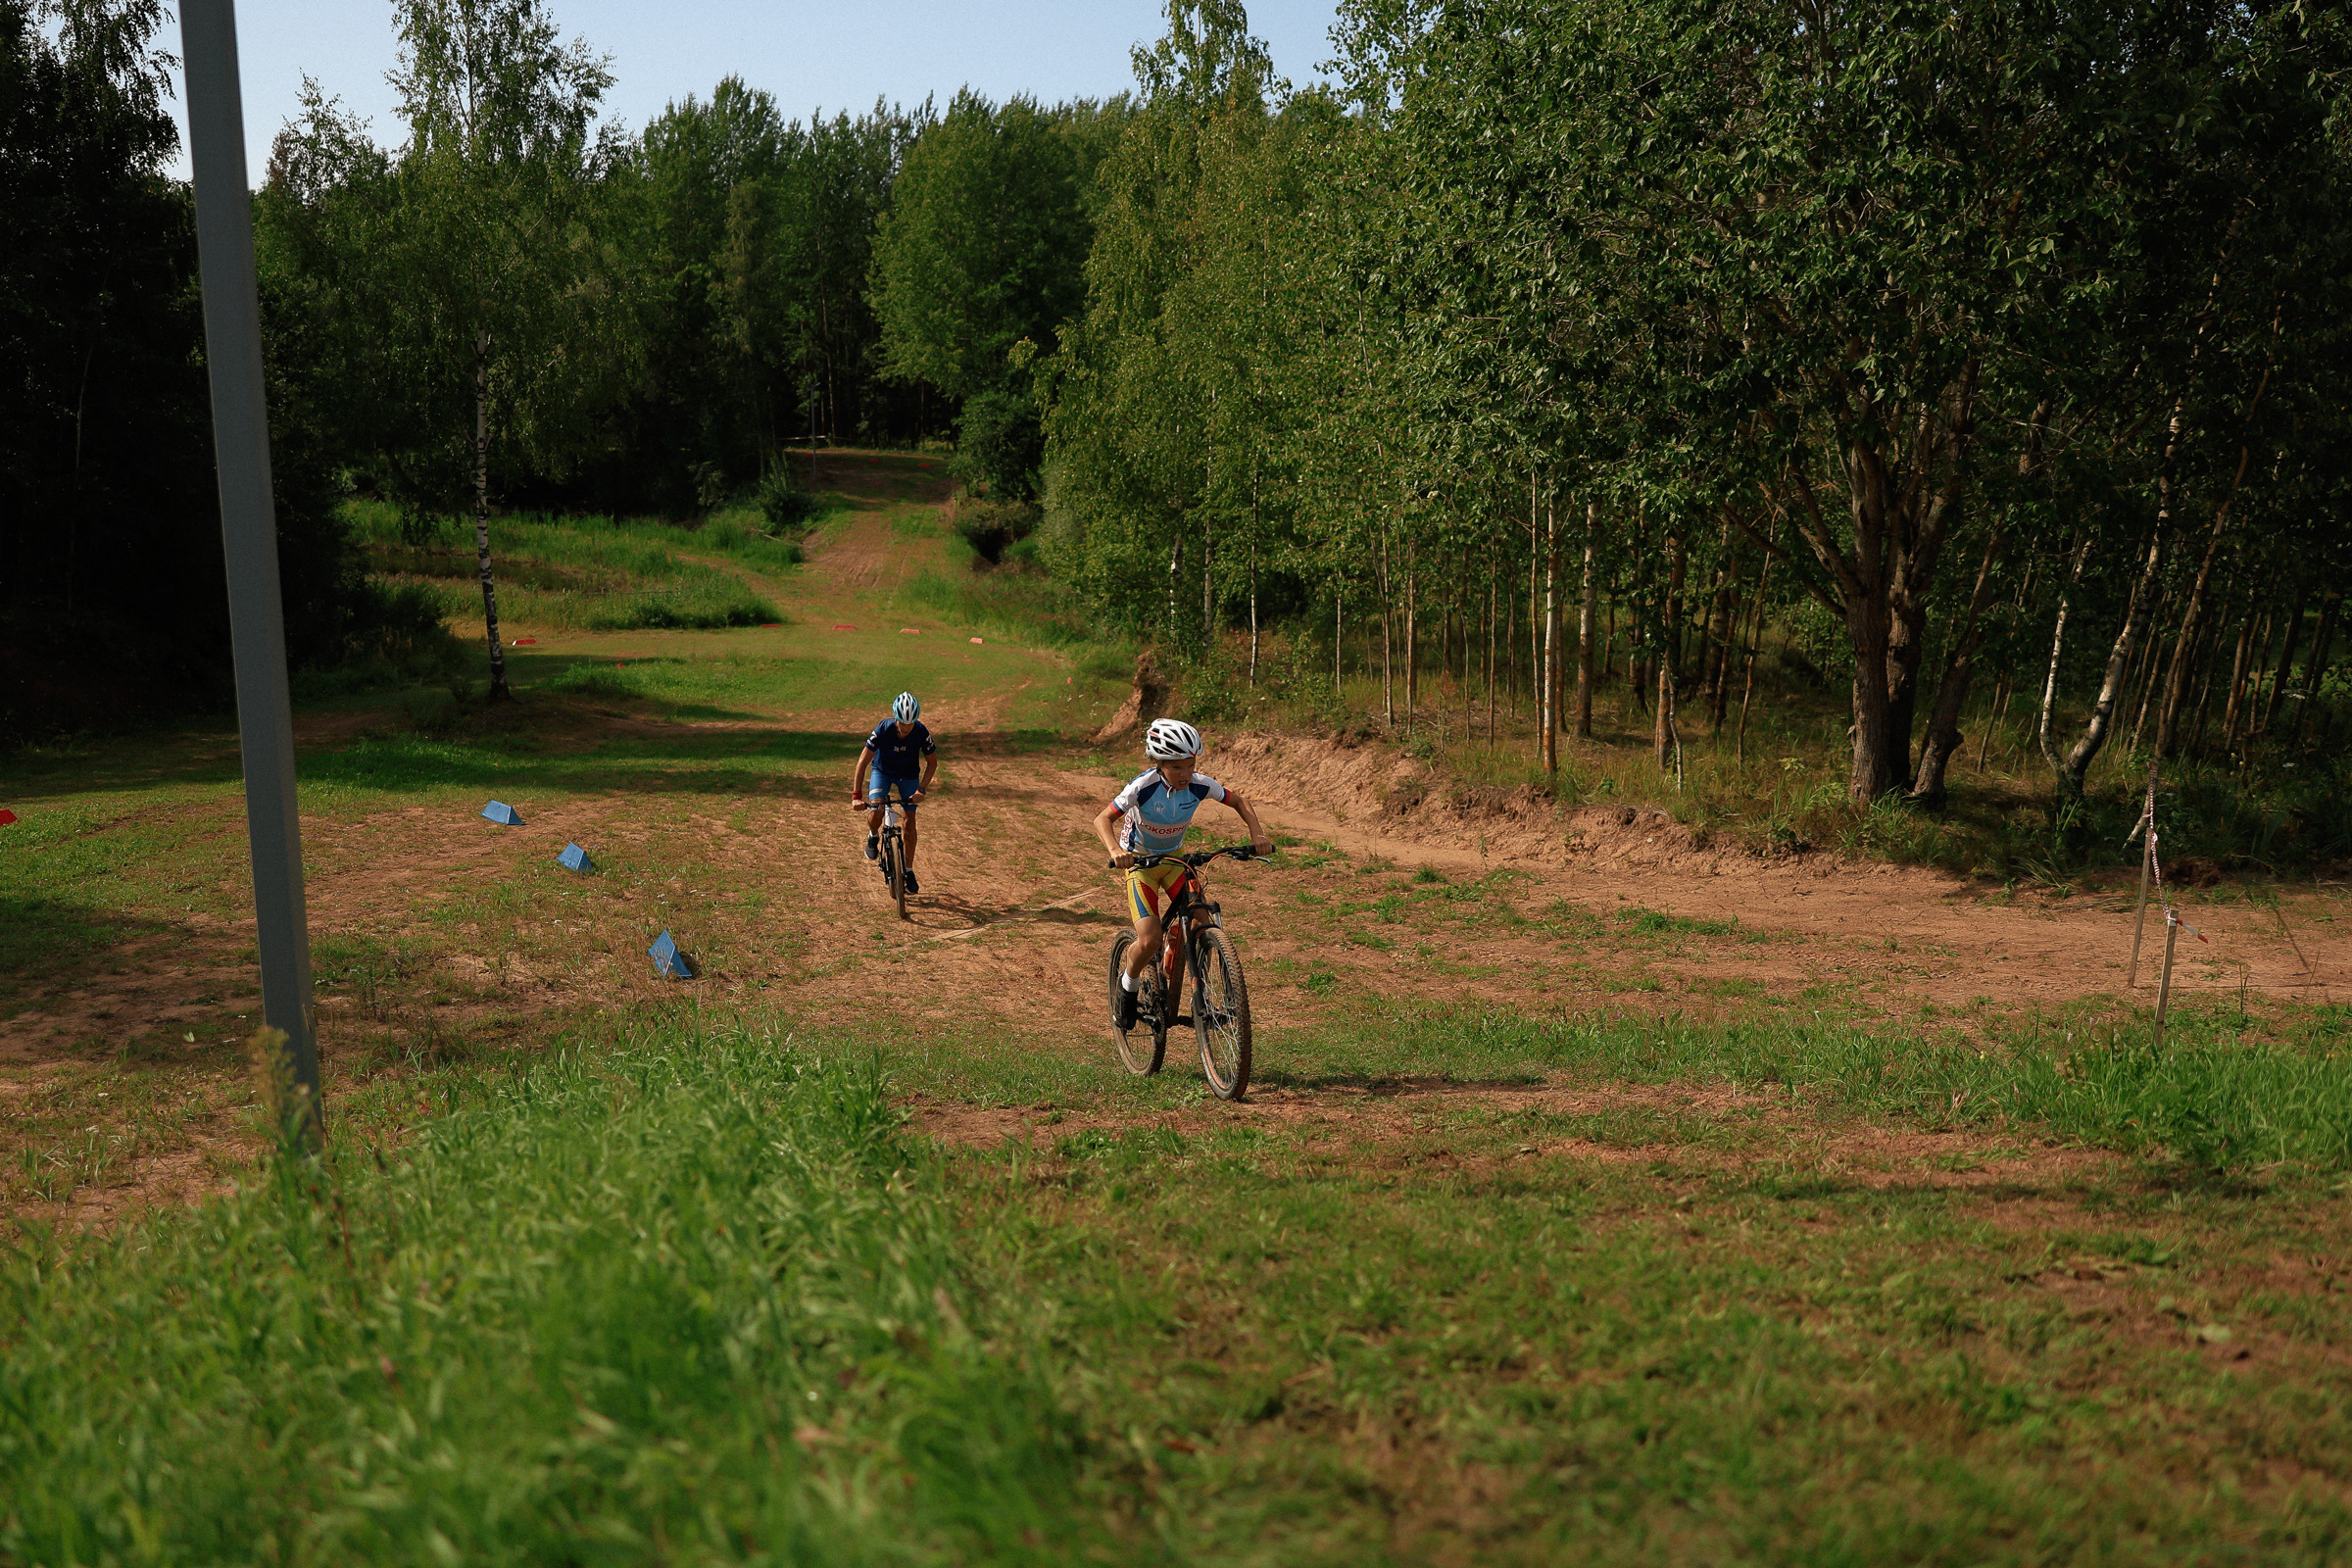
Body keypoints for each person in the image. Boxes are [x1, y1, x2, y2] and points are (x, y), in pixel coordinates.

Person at [1092, 717, 1270, 1031]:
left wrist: (1257, 834)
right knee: (1149, 940)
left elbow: (1239, 801)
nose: (1185, 774)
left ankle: (1193, 988)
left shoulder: (1201, 784)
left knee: (1203, 923)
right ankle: (1128, 985)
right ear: (1159, 763)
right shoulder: (1142, 787)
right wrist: (1116, 850)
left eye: (1190, 765)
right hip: (1141, 865)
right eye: (1176, 767)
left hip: (1175, 861)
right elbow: (1102, 819)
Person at [853, 692, 936, 894]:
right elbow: (862, 762)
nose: (907, 728)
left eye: (911, 723)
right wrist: (856, 796)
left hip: (908, 775)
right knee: (877, 810)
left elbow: (932, 763)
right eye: (903, 723)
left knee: (910, 822)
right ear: (895, 718)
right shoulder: (883, 729)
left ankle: (908, 870)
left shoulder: (921, 731)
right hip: (882, 772)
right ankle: (873, 835)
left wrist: (921, 789)